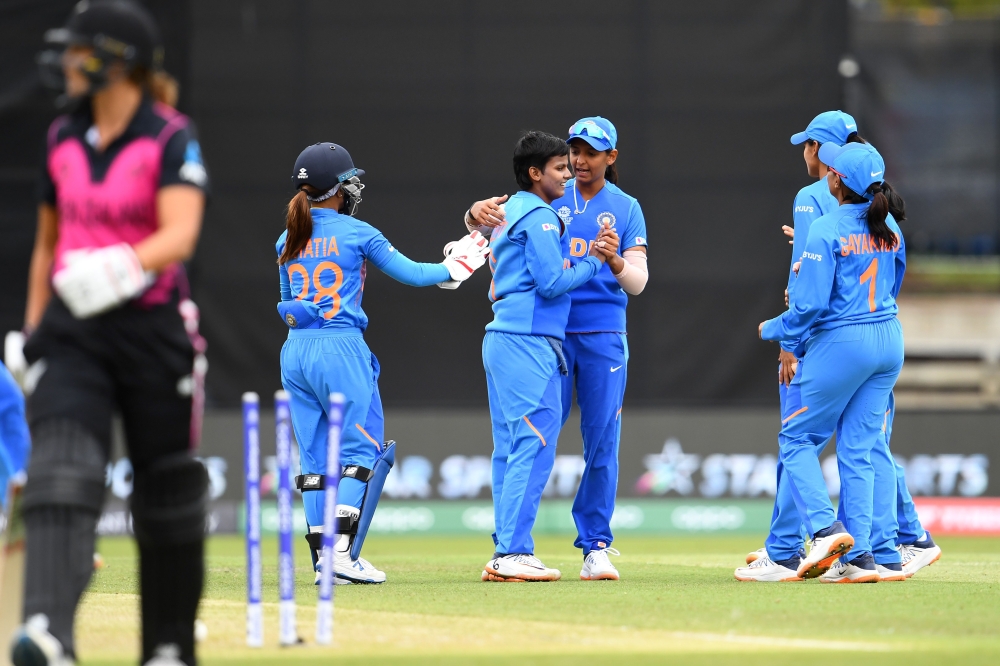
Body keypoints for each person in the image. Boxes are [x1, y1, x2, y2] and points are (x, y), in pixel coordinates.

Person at [10, 2, 209, 664]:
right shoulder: (63, 136)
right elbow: (48, 242)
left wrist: (120, 267)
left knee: (166, 487)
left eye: (80, 50)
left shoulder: (169, 135)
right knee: (60, 466)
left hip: (151, 327)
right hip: (74, 330)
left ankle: (168, 646)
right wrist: (33, 330)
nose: (67, 61)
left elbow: (180, 232)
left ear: (118, 63)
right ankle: (48, 631)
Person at [737, 112, 939, 581]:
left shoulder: (827, 228)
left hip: (843, 343)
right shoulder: (890, 227)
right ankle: (866, 557)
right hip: (888, 339)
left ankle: (826, 531)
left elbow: (808, 307)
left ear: (836, 180)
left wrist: (772, 329)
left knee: (797, 439)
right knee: (859, 448)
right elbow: (894, 283)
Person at [277, 142, 490, 585]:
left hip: (295, 351)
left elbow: (287, 301)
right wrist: (455, 268)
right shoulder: (358, 233)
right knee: (360, 451)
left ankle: (323, 559)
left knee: (314, 459)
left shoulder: (287, 236)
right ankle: (340, 555)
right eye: (350, 182)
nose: (355, 189)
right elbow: (413, 273)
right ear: (337, 188)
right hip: (341, 348)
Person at [467, 117, 647, 581]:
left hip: (602, 334)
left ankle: (594, 546)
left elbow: (638, 282)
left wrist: (613, 260)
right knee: (528, 439)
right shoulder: (548, 196)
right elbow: (490, 232)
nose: (578, 163)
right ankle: (510, 546)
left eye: (590, 153)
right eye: (573, 153)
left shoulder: (625, 207)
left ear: (611, 157)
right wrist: (473, 214)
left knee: (600, 441)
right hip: (547, 334)